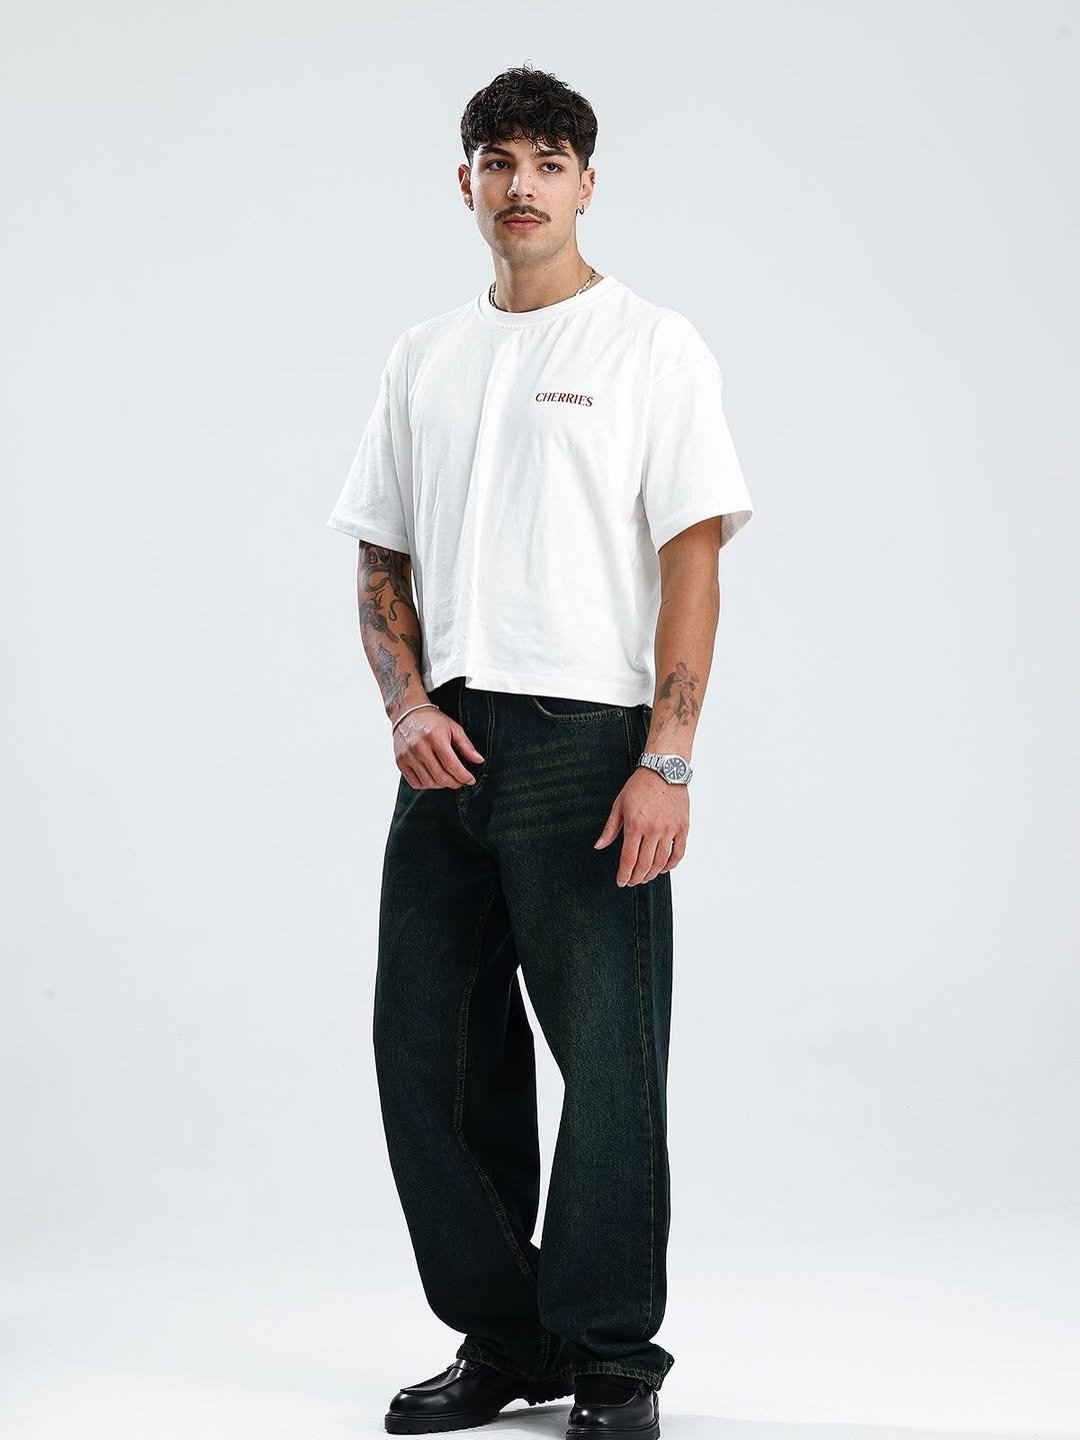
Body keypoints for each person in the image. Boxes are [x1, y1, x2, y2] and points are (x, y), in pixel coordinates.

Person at [326, 64, 754, 1440]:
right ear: (464, 183)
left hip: (588, 741)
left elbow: (693, 563)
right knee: (426, 1051)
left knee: (609, 1061)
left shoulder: (652, 347)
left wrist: (667, 756)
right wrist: (405, 706)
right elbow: (379, 553)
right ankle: (508, 1338)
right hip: (448, 743)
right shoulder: (424, 357)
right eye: (498, 161)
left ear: (587, 184)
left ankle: (612, 1357)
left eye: (548, 163)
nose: (522, 186)